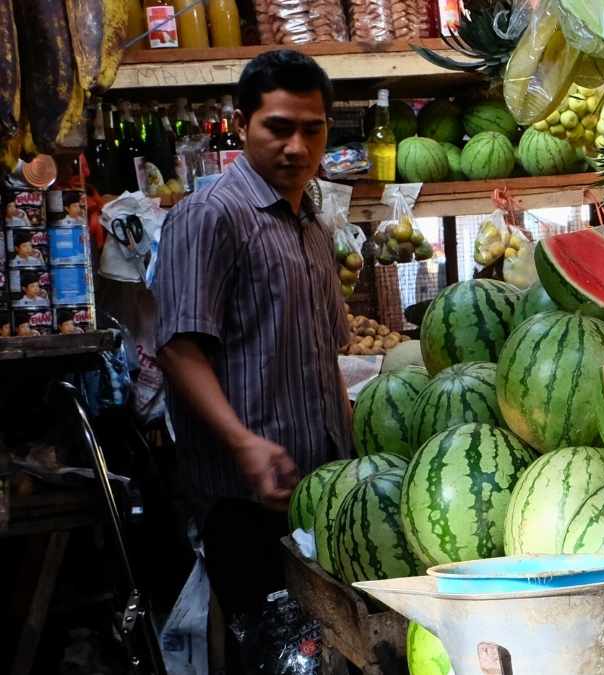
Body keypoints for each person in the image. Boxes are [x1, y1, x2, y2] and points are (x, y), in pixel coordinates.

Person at [151, 50, 352, 673]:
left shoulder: (312, 226)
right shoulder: (209, 217)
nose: (297, 145)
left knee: (321, 658)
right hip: (243, 503)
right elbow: (179, 347)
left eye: (312, 129)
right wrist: (243, 443)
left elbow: (326, 355)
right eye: (279, 127)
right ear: (242, 124)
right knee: (271, 657)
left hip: (318, 495)